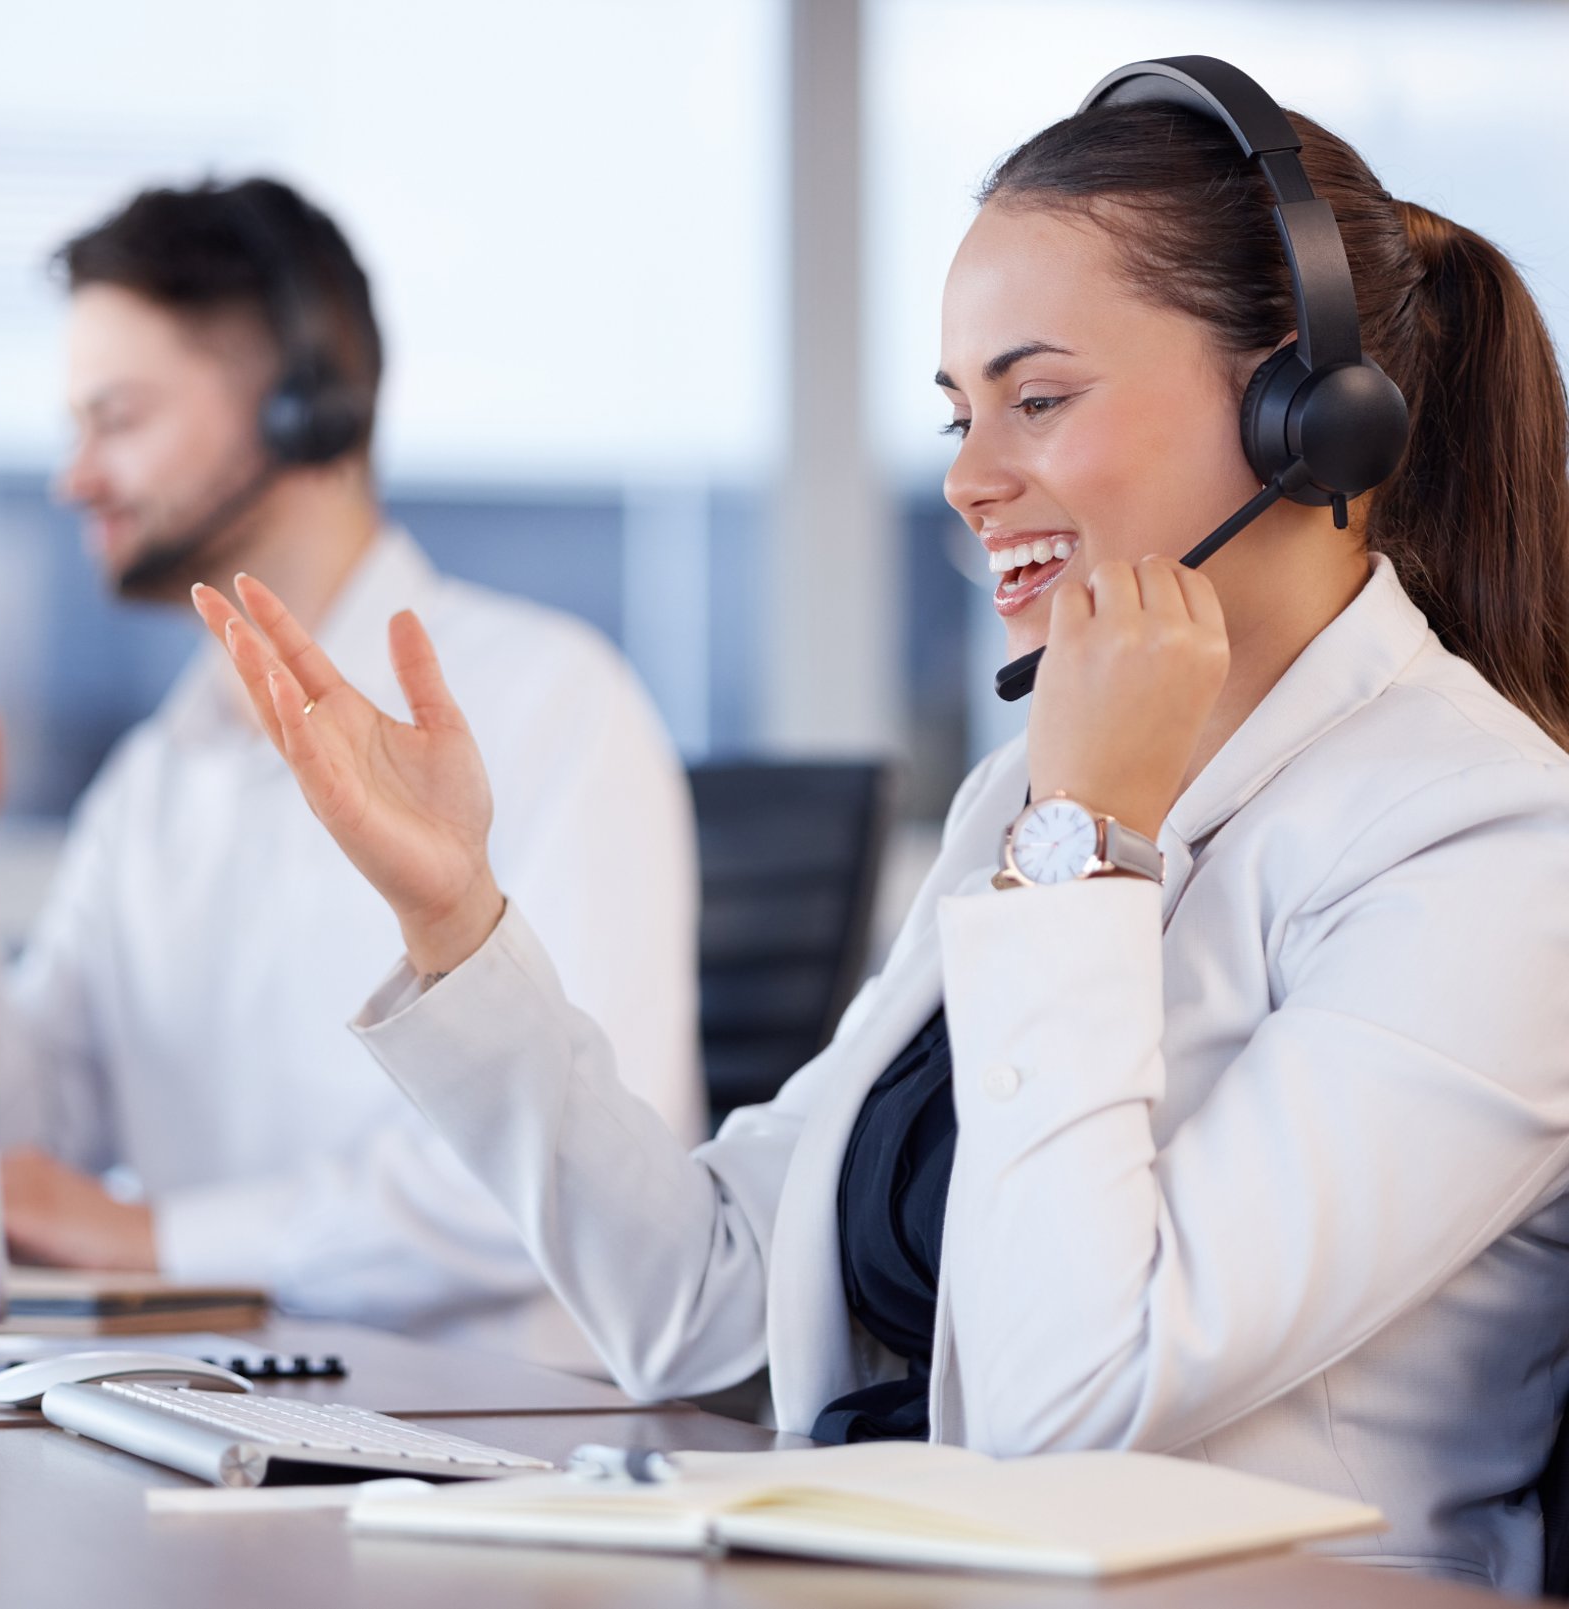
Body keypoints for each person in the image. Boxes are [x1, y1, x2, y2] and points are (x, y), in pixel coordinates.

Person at [191, 63, 1569, 1592]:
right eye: (959, 413)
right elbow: (701, 1302)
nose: (973, 482)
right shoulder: (1028, 795)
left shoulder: (1493, 851)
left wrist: (1090, 837)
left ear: (1311, 415)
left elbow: (1075, 1406)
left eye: (1038, 399)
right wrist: (458, 924)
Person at [0, 177, 704, 1372]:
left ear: (299, 406)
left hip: (504, 1433)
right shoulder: (157, 777)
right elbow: (32, 1143)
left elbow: (565, 1176)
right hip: (215, 1406)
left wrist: (155, 1236)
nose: (76, 476)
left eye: (117, 419)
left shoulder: (550, 701)